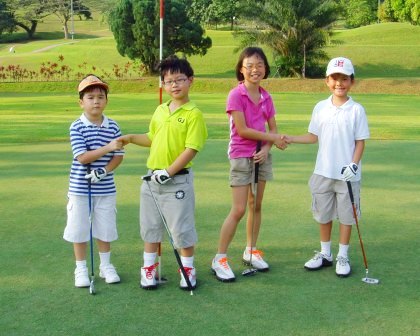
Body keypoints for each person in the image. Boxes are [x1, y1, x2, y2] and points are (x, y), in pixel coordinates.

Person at [119, 55, 207, 291]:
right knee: (150, 227)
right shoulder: (160, 110)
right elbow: (151, 138)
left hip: (177, 182)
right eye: (169, 81)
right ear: (163, 85)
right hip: (152, 180)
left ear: (190, 80)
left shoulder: (193, 114)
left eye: (179, 79)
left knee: (182, 229)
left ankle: (187, 269)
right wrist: (129, 138)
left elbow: (191, 149)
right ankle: (149, 269)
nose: (174, 85)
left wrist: (168, 172)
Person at [282, 57, 370, 277]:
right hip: (323, 171)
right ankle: (325, 253)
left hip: (347, 175)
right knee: (323, 215)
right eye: (334, 78)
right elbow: (313, 137)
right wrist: (291, 138)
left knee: (347, 216)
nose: (339, 83)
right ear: (327, 81)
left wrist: (353, 164)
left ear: (352, 81)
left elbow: (360, 142)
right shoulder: (320, 107)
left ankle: (342, 255)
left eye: (344, 78)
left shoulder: (356, 110)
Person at [211, 47, 287, 282]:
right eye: (250, 66)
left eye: (260, 65)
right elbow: (242, 130)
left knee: (257, 205)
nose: (255, 69)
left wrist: (266, 149)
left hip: (260, 155)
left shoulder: (266, 96)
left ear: (265, 68)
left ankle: (251, 250)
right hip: (241, 155)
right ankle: (220, 258)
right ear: (241, 70)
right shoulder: (236, 95)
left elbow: (272, 128)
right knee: (240, 209)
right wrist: (273, 140)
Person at [64, 74, 124, 288]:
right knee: (79, 229)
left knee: (105, 228)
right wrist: (108, 147)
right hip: (80, 189)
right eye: (90, 97)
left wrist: (104, 172)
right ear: (81, 102)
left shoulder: (113, 126)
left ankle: (105, 266)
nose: (96, 101)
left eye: (100, 96)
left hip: (106, 188)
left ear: (106, 100)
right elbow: (82, 157)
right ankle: (80, 268)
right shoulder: (77, 127)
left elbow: (119, 156)